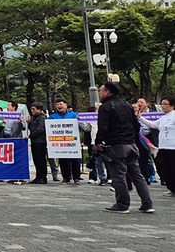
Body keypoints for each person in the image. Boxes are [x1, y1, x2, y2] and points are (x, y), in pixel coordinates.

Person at [95, 83, 153, 213]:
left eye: (101, 91)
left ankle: (122, 204)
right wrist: (133, 139)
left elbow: (103, 127)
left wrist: (98, 143)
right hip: (131, 145)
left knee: (119, 176)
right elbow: (136, 125)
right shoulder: (127, 105)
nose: (99, 93)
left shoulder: (106, 107)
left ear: (108, 92)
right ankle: (147, 203)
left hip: (116, 145)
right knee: (137, 175)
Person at [139, 96, 175, 197]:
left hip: (173, 147)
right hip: (163, 146)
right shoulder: (163, 118)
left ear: (172, 105)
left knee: (173, 168)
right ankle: (172, 188)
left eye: (165, 104)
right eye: (162, 104)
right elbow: (154, 125)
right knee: (166, 168)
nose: (163, 106)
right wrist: (140, 118)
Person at [48, 99, 81, 184]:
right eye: (57, 104)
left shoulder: (74, 115)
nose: (59, 106)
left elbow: (80, 127)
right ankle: (66, 178)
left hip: (72, 142)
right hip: (60, 142)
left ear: (66, 105)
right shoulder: (53, 117)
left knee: (75, 160)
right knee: (63, 160)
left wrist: (79, 121)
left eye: (61, 104)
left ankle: (76, 177)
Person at [27, 103, 49, 184]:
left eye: (34, 109)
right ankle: (38, 176)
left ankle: (43, 177)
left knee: (41, 160)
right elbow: (31, 128)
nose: (32, 111)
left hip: (40, 141)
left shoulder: (42, 117)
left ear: (39, 110)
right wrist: (29, 122)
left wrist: (30, 136)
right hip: (34, 141)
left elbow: (40, 129)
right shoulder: (33, 117)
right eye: (31, 109)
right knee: (36, 160)